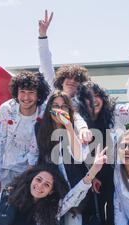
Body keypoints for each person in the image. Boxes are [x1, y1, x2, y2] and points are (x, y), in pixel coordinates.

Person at [36, 90, 90, 225]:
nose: (59, 110)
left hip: (74, 192)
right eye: (55, 106)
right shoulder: (41, 130)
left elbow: (78, 156)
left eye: (63, 106)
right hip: (51, 192)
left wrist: (68, 126)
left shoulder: (76, 129)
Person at [74, 81, 116, 225]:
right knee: (91, 218)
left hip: (112, 177)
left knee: (110, 219)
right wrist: (92, 176)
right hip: (89, 177)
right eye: (87, 98)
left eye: (96, 96)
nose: (93, 101)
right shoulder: (80, 121)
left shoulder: (112, 118)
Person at [0, 71, 51, 197]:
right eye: (22, 92)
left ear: (39, 95)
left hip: (35, 172)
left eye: (31, 93)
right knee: (5, 211)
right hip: (8, 170)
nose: (26, 97)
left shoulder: (45, 112)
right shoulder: (7, 109)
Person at [37, 10, 92, 144]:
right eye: (69, 78)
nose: (72, 82)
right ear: (61, 80)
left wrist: (84, 129)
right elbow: (46, 62)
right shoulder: (52, 89)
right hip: (43, 139)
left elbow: (77, 117)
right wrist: (43, 35)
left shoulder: (80, 103)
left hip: (66, 147)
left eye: (76, 80)